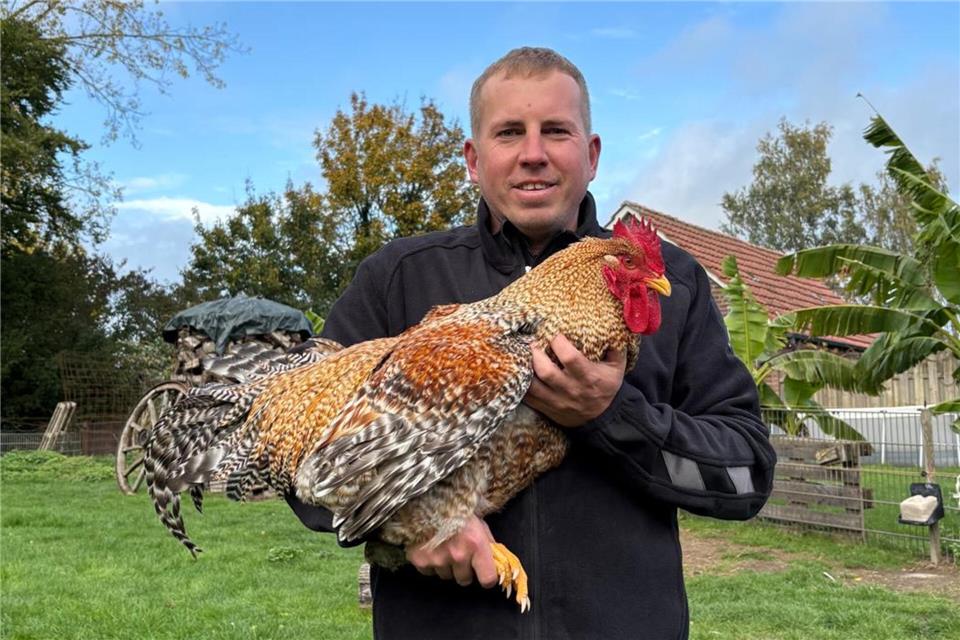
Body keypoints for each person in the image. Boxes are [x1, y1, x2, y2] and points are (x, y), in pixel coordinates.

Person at [287, 47, 775, 640]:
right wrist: (408, 520)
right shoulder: (400, 278)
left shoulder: (668, 283)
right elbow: (299, 449)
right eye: (510, 132)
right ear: (473, 158)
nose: (533, 154)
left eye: (557, 132)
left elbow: (746, 477)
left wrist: (611, 415)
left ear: (591, 155)